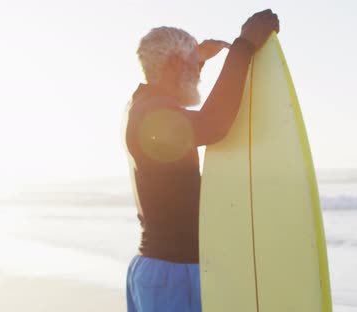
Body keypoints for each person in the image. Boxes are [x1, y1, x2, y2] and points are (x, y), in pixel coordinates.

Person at [123, 9, 280, 312]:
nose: (199, 74)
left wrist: (198, 57)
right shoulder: (152, 115)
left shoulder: (141, 104)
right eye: (194, 67)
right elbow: (212, 124)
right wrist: (244, 47)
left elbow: (178, 101)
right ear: (172, 66)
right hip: (173, 274)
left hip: (162, 270)